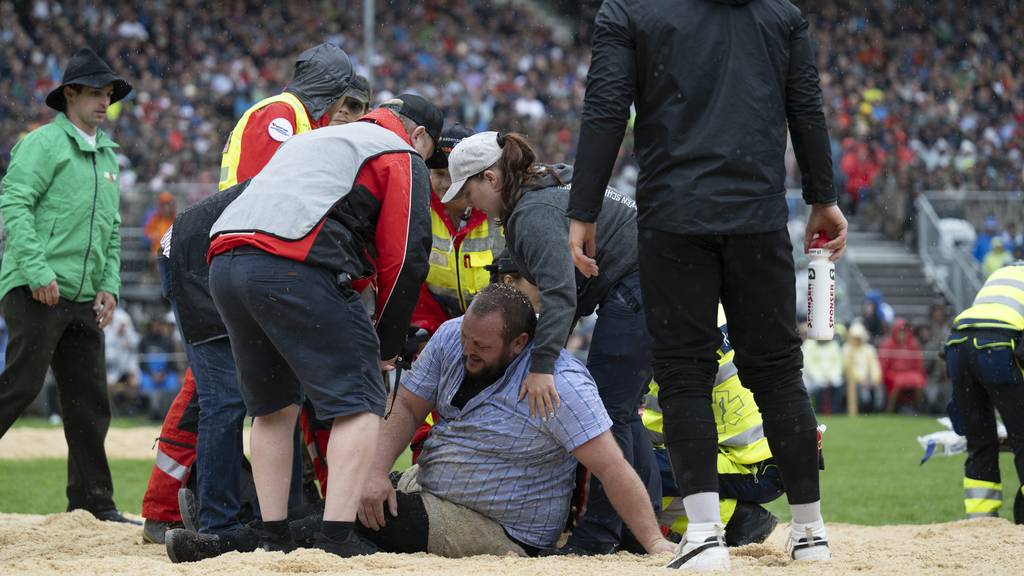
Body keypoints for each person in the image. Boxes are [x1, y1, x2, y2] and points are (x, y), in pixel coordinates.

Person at [566, 0, 847, 568]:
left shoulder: (630, 11)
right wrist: (823, 196)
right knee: (776, 372)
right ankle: (811, 531)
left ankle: (702, 535)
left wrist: (584, 208)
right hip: (758, 216)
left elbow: (605, 110)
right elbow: (806, 109)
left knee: (682, 374)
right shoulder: (782, 15)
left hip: (675, 217)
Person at [179, 93, 440, 559]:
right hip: (292, 263)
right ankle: (335, 540)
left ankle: (273, 535)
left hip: (224, 260)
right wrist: (386, 343)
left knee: (273, 406)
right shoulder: (400, 153)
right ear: (418, 135)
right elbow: (405, 258)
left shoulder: (317, 138)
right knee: (360, 402)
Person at [141, 43, 358, 544]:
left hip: (216, 256)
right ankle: (219, 524)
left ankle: (202, 512)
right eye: (343, 103)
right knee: (223, 397)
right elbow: (264, 195)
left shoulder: (292, 117)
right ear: (332, 94)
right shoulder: (282, 115)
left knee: (235, 396)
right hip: (212, 259)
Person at [445, 131, 661, 555]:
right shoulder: (544, 185)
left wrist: (541, 366)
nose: (469, 204)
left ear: (491, 178)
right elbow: (554, 282)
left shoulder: (532, 211)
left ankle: (599, 536)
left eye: (469, 192)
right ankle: (640, 532)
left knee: (608, 415)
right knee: (623, 413)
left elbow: (562, 294)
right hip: (655, 277)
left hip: (640, 284)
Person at [358, 284, 674, 557]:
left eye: (481, 346)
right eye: (466, 337)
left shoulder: (561, 384)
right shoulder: (453, 335)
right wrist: (375, 472)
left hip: (502, 528)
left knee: (353, 522)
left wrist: (654, 541)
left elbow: (611, 466)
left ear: (519, 343)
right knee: (348, 495)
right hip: (430, 485)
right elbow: (407, 406)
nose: (467, 350)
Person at [0, 47, 135, 524]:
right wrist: (37, 273)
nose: (105, 102)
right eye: (96, 94)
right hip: (34, 287)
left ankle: (93, 503)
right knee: (20, 386)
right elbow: (13, 206)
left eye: (109, 95)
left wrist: (110, 285)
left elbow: (112, 231)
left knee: (90, 402)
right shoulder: (42, 144)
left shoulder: (107, 157)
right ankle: (92, 500)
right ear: (70, 95)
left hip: (82, 296)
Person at [642, 306, 785, 549]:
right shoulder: (715, 308)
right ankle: (728, 518)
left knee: (638, 464)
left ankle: (737, 520)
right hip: (779, 454)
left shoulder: (670, 327)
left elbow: (660, 425)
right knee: (647, 461)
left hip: (756, 466)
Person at [943, 260, 1024, 524]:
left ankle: (981, 523)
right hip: (998, 343)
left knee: (980, 443)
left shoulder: (1003, 273)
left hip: (957, 344)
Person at [879, 318, 927, 412]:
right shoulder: (887, 344)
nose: (902, 334)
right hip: (893, 373)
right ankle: (889, 409)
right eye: (900, 331)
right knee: (897, 382)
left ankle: (919, 409)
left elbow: (918, 364)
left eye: (904, 331)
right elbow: (884, 365)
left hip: (910, 372)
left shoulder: (913, 344)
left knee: (919, 381)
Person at [842, 322, 883, 415]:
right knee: (861, 393)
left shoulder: (869, 349)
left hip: (868, 379)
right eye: (854, 338)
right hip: (854, 381)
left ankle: (876, 411)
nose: (856, 340)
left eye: (858, 338)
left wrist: (874, 379)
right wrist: (860, 379)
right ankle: (861, 410)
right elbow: (847, 368)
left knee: (878, 390)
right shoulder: (847, 349)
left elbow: (874, 366)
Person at [802, 327, 845, 414]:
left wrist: (831, 376)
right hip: (813, 377)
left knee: (839, 384)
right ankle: (820, 410)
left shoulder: (833, 345)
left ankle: (834, 410)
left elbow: (837, 364)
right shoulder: (809, 345)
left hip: (831, 376)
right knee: (818, 386)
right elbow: (809, 365)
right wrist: (821, 377)